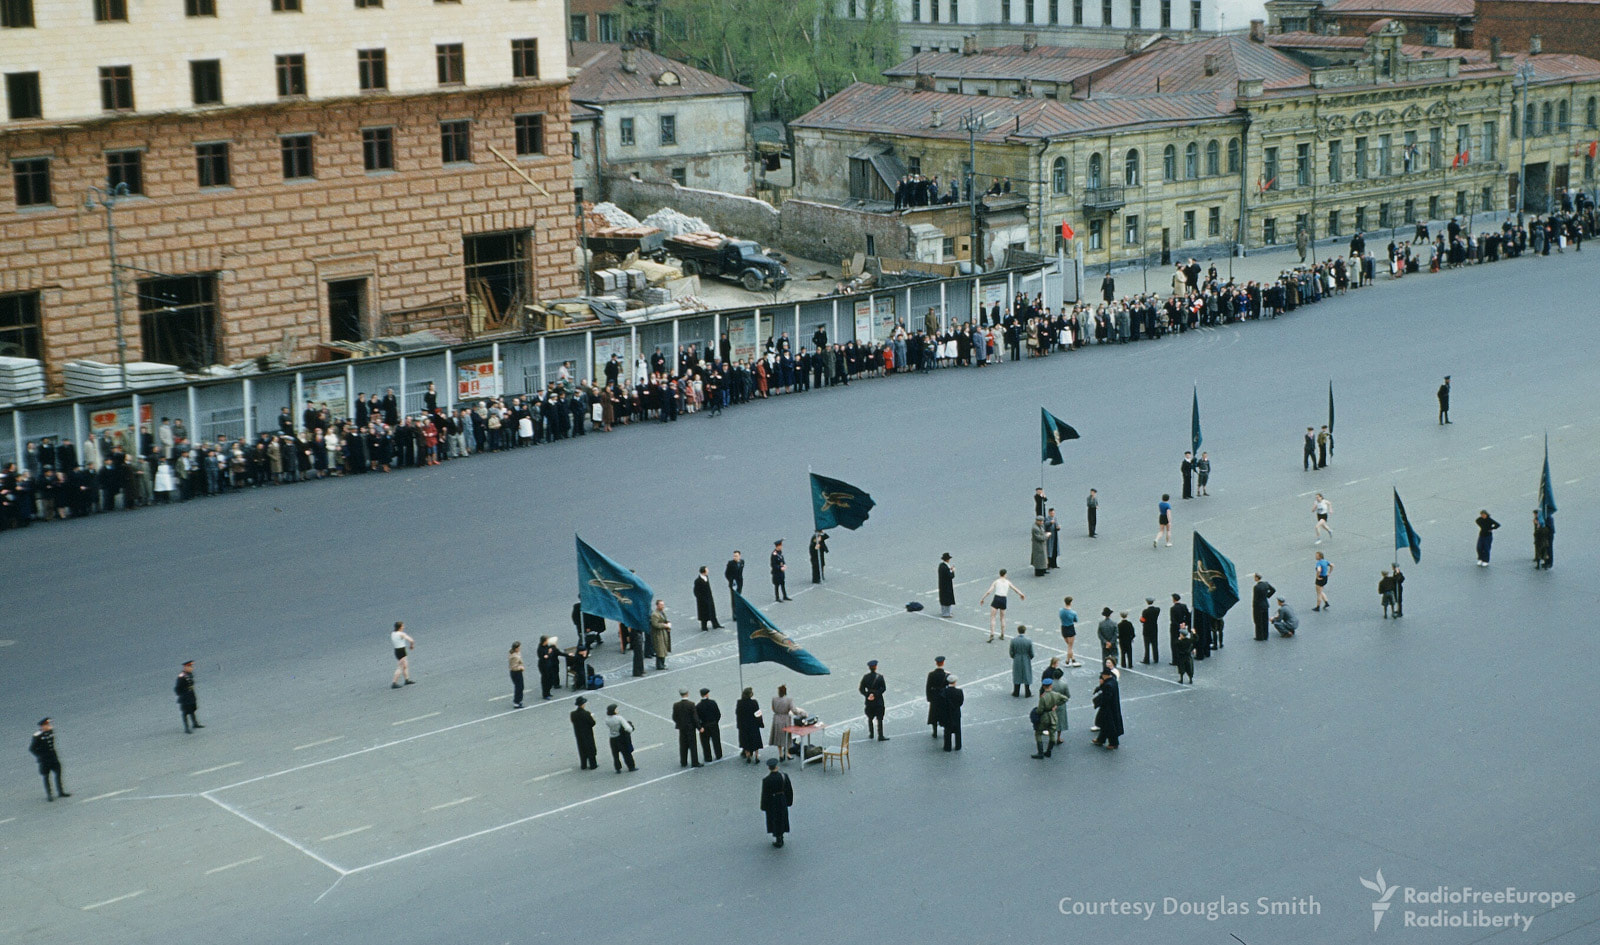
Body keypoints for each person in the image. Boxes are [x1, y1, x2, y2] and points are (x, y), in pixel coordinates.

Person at [30, 717, 70, 801]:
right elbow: (32, 749)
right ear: (42, 726)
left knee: (58, 774)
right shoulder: (37, 736)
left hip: (53, 758)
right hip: (44, 760)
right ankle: (49, 794)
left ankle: (60, 792)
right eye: (46, 724)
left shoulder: (50, 732)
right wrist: (40, 756)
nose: (49, 726)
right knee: (46, 777)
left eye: (48, 724)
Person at [980, 569, 1024, 641]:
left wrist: (983, 598)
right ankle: (1002, 634)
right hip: (1004, 599)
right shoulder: (1008, 582)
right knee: (1002, 618)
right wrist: (1021, 594)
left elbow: (989, 591)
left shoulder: (996, 582)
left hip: (996, 598)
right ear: (1005, 574)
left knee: (993, 617)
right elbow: (1015, 589)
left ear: (999, 574)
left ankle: (992, 634)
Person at [760, 757, 794, 847]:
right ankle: (781, 836)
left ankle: (777, 837)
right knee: (782, 817)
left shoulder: (766, 780)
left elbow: (765, 794)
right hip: (782, 799)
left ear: (769, 768)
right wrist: (789, 801)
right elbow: (789, 790)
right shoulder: (784, 776)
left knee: (774, 818)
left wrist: (764, 806)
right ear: (777, 766)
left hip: (772, 801)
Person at [1032, 677, 1068, 759]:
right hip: (1053, 715)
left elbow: (1040, 710)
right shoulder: (1056, 694)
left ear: (1044, 686)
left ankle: (1040, 753)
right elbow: (1065, 699)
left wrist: (1036, 712)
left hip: (1045, 717)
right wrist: (1056, 705)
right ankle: (1049, 751)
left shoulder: (1043, 697)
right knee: (1052, 733)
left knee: (1038, 733)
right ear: (1051, 686)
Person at [1091, 667, 1124, 749]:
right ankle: (1101, 739)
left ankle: (1114, 743)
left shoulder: (1108, 685)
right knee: (1105, 725)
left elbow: (1106, 698)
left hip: (1108, 709)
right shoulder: (1113, 681)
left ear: (1105, 675)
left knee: (1110, 726)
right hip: (1112, 707)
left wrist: (1098, 700)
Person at [672, 689, 703, 768]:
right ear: (687, 694)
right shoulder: (691, 704)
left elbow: (674, 717)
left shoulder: (676, 705)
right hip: (690, 728)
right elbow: (695, 718)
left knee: (683, 745)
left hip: (682, 728)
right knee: (693, 745)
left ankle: (683, 761)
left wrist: (679, 723)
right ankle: (694, 762)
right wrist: (699, 727)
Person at [858, 660, 888, 741]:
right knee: (880, 718)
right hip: (878, 701)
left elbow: (861, 689)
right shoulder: (880, 677)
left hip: (869, 701)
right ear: (875, 667)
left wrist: (868, 694)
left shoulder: (865, 677)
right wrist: (876, 694)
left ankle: (871, 734)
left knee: (870, 718)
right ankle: (880, 735)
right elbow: (883, 688)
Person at [769, 685, 799, 761]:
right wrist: (800, 713)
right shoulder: (789, 700)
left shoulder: (774, 699)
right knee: (787, 736)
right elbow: (794, 710)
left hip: (777, 718)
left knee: (778, 736)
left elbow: (773, 708)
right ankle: (787, 753)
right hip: (785, 719)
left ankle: (780, 754)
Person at [735, 687, 765, 762]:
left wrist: (739, 725)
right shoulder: (754, 702)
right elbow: (758, 714)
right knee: (755, 740)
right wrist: (760, 723)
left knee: (746, 741)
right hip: (753, 725)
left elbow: (738, 714)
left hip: (744, 726)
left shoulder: (740, 703)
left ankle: (748, 755)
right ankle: (757, 756)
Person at [604, 704, 637, 772]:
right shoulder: (619, 718)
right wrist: (631, 729)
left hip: (612, 738)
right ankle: (631, 766)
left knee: (615, 754)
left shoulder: (607, 719)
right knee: (626, 753)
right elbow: (627, 728)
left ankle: (618, 768)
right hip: (621, 738)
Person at [175, 660, 203, 733]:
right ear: (186, 667)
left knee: (192, 710)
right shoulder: (182, 676)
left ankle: (195, 723)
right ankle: (186, 728)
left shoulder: (189, 674)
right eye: (190, 667)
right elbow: (177, 688)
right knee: (185, 712)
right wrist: (182, 695)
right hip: (185, 697)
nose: (191, 668)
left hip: (191, 695)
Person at [571, 696, 599, 770]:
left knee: (582, 749)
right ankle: (593, 764)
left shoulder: (573, 714)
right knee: (590, 748)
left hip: (579, 734)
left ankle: (583, 765)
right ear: (583, 704)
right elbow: (592, 723)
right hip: (587, 734)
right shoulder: (586, 713)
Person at [696, 688, 723, 762]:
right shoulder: (713, 703)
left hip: (704, 726)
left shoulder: (698, 706)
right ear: (707, 694)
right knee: (716, 741)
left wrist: (700, 726)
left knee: (705, 743)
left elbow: (697, 718)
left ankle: (708, 757)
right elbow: (718, 714)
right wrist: (715, 722)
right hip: (713, 724)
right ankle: (718, 755)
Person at [693, 566, 722, 630]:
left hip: (709, 598)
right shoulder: (698, 581)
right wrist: (701, 599)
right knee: (704, 614)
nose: (708, 571)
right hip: (702, 601)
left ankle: (715, 624)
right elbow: (696, 592)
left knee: (712, 612)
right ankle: (704, 626)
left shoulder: (706, 577)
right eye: (707, 570)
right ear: (704, 572)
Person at [925, 657, 948, 738]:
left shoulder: (931, 674)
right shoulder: (946, 674)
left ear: (936, 663)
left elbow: (928, 686)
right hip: (943, 696)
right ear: (943, 663)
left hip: (934, 696)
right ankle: (945, 729)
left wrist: (929, 697)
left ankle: (934, 732)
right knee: (944, 713)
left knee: (934, 714)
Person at [1009, 626, 1035, 698]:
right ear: (1025, 631)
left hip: (1017, 658)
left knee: (1017, 674)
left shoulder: (1014, 640)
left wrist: (1014, 656)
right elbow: (1031, 653)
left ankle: (1016, 691)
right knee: (1027, 674)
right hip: (1026, 658)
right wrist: (1029, 657)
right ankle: (1027, 692)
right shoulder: (1028, 641)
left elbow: (1011, 652)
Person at [939, 674, 964, 751]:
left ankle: (947, 747)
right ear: (955, 682)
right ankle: (958, 745)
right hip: (956, 713)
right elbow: (961, 702)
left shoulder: (943, 692)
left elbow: (942, 704)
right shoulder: (959, 692)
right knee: (957, 730)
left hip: (947, 714)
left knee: (947, 731)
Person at [389, 621, 415, 689]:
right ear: (400, 627)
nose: (403, 627)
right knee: (400, 667)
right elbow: (411, 640)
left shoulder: (393, 633)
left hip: (397, 651)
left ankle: (407, 679)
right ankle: (394, 683)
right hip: (401, 651)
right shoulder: (401, 634)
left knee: (405, 665)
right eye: (402, 626)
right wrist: (411, 646)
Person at [1251, 573, 1276, 641]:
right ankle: (1265, 635)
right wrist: (1267, 596)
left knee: (1258, 622)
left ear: (1256, 578)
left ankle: (1259, 636)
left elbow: (1255, 598)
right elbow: (1273, 590)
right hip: (1265, 605)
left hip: (1258, 606)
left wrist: (1254, 606)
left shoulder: (1256, 587)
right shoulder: (1266, 584)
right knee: (1265, 620)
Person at [649, 600, 672, 669]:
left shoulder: (662, 612)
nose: (663, 606)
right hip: (658, 634)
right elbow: (655, 624)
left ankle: (662, 663)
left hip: (663, 633)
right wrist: (665, 625)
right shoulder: (655, 614)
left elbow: (665, 620)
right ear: (657, 605)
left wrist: (668, 623)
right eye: (661, 605)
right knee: (660, 649)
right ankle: (659, 665)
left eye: (663, 605)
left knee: (663, 648)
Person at [1058, 596, 1080, 666]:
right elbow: (1076, 620)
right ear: (1070, 603)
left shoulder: (1061, 610)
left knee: (1069, 645)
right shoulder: (1073, 612)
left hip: (1063, 628)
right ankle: (1067, 661)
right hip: (1070, 628)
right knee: (1070, 646)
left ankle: (1073, 658)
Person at [1169, 594, 1190, 666]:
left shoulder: (1173, 608)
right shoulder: (1184, 606)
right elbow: (1188, 615)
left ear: (1174, 599)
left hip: (1175, 628)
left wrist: (1178, 625)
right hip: (1183, 626)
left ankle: (1175, 660)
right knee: (1183, 642)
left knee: (1174, 643)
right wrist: (1184, 623)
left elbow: (1173, 620)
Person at [1139, 597, 1161, 664]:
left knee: (1147, 645)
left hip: (1147, 629)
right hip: (1154, 628)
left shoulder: (1145, 611)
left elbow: (1142, 620)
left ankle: (1146, 659)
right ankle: (1156, 658)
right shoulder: (1157, 610)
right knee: (1155, 644)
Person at [937, 553, 956, 618]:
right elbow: (951, 576)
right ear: (948, 559)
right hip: (947, 585)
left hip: (942, 585)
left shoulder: (941, 565)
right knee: (948, 599)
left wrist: (949, 570)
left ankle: (944, 612)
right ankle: (947, 613)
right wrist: (953, 571)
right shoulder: (946, 567)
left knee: (943, 599)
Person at [507, 642, 525, 708]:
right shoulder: (514, 656)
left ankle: (518, 700)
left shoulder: (515, 653)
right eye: (519, 647)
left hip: (517, 672)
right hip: (516, 672)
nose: (520, 648)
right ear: (516, 648)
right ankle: (517, 702)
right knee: (519, 687)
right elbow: (513, 667)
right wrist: (521, 667)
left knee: (520, 686)